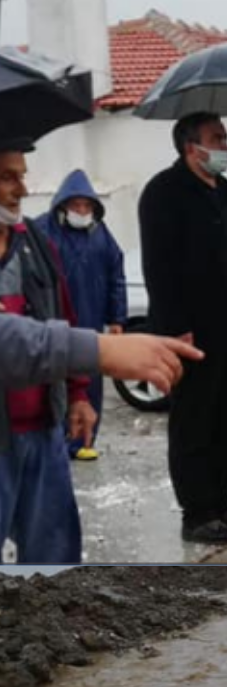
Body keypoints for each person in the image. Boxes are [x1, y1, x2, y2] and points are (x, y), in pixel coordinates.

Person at [139, 112, 227, 546]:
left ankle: (221, 501)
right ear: (191, 147)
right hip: (193, 333)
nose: (225, 145)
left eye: (225, 137)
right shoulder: (164, 193)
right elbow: (159, 268)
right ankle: (196, 513)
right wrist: (177, 328)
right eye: (216, 138)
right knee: (194, 423)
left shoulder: (225, 189)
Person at [0, 139, 92, 563]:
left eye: (22, 175)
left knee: (53, 561)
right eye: (7, 177)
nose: (21, 188)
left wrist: (76, 393)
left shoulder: (35, 242)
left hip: (43, 429)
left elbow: (63, 316)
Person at [35, 169, 127, 462]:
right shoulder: (42, 232)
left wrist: (117, 319)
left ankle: (83, 440)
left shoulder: (100, 234)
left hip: (90, 320)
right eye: (76, 205)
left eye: (87, 206)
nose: (82, 211)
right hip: (52, 321)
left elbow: (116, 276)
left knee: (89, 383)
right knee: (52, 381)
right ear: (62, 205)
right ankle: (54, 440)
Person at [1, 313, 203, 391]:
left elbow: (57, 308)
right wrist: (102, 349)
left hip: (46, 422)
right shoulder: (46, 231)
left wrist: (77, 394)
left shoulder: (32, 240)